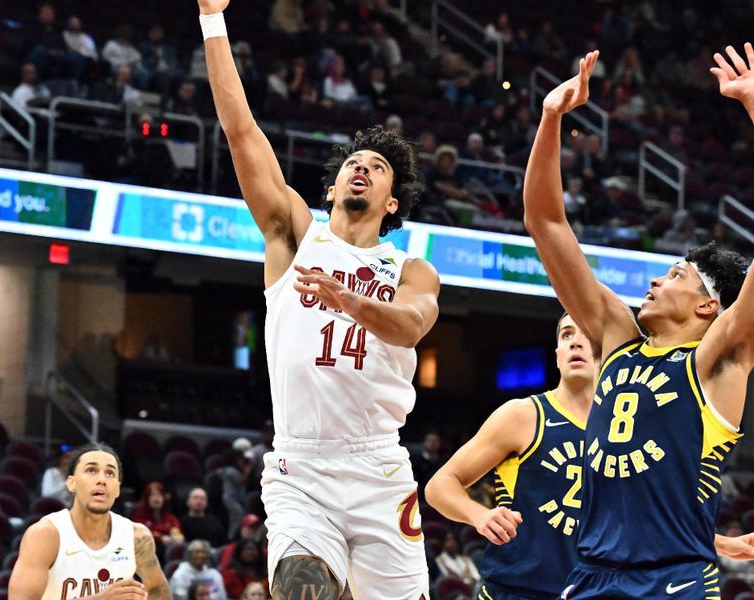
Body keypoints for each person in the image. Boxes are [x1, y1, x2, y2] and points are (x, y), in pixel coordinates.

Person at [197, 1, 440, 598]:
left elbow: (410, 326)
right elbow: (240, 131)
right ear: (331, 186)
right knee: (300, 588)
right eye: (353, 163)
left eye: (377, 167)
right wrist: (213, 19)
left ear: (391, 202)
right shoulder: (294, 234)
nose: (361, 169)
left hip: (380, 468)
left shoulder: (412, 268)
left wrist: (347, 300)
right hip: (301, 465)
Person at [522, 46, 754, 599]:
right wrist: (551, 119)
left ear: (707, 307)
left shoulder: (718, 357)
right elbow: (546, 222)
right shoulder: (617, 340)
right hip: (590, 575)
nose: (654, 283)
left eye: (675, 275)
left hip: (672, 578)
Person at [426, 314, 596, 599]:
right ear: (557, 355)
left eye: (587, 335)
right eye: (566, 335)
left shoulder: (624, 427)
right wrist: (479, 515)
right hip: (516, 590)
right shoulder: (522, 415)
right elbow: (439, 485)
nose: (575, 342)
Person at [8, 442, 170, 599]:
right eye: (91, 470)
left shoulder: (136, 536)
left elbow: (157, 589)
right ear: (71, 483)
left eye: (110, 473)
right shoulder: (46, 535)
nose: (102, 480)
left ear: (118, 488)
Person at [130, 481, 184, 550]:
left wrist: (177, 536)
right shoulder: (137, 514)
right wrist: (161, 538)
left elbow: (176, 528)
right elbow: (142, 533)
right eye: (152, 495)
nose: (156, 499)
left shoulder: (169, 517)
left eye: (159, 495)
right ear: (147, 498)